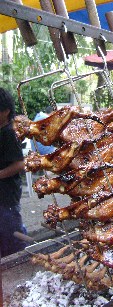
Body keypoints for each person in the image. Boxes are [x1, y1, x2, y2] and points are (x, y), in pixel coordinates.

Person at [0, 87, 27, 257]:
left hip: (7, 196)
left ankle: (20, 262)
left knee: (12, 237)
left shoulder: (9, 133)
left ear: (6, 111)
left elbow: (20, 164)